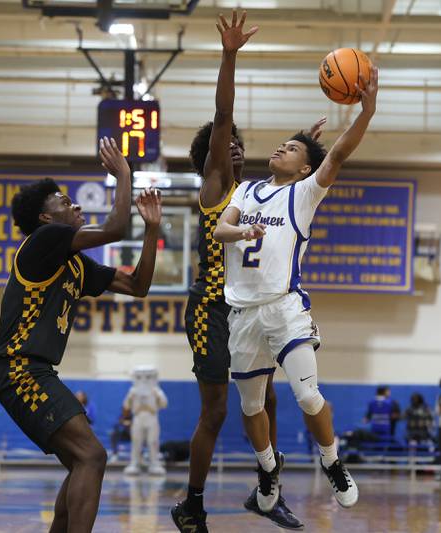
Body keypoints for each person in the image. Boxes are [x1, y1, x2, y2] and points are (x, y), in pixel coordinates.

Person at [213, 31, 378, 514]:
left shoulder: (303, 195)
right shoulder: (245, 192)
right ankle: (268, 470)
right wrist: (237, 234)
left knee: (308, 397)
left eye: (291, 148)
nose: (281, 149)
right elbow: (221, 228)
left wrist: (365, 112)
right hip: (242, 312)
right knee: (250, 407)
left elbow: (339, 154)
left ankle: (332, 461)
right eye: (281, 144)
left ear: (305, 168)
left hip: (285, 308)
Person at [172, 10, 323, 532]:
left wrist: (310, 142)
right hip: (211, 307)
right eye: (225, 144)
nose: (234, 146)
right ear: (212, 158)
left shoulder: (256, 191)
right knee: (215, 410)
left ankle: (268, 487)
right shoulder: (217, 186)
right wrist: (230, 55)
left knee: (270, 397)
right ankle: (191, 502)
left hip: (251, 308)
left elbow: (300, 174)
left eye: (239, 142)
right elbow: (222, 113)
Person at [0, 137, 163, 533]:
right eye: (65, 203)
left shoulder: (76, 266)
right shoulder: (42, 242)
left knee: (82, 464)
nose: (76, 206)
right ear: (47, 219)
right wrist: (123, 175)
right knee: (92, 457)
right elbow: (117, 227)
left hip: (36, 372)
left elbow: (138, 287)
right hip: (19, 370)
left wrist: (152, 231)